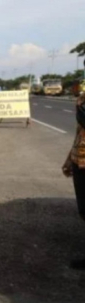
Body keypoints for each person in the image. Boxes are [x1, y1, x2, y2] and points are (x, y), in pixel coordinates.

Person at [63, 91, 85, 270]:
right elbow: (79, 132)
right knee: (84, 210)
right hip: (81, 161)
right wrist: (71, 158)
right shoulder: (83, 98)